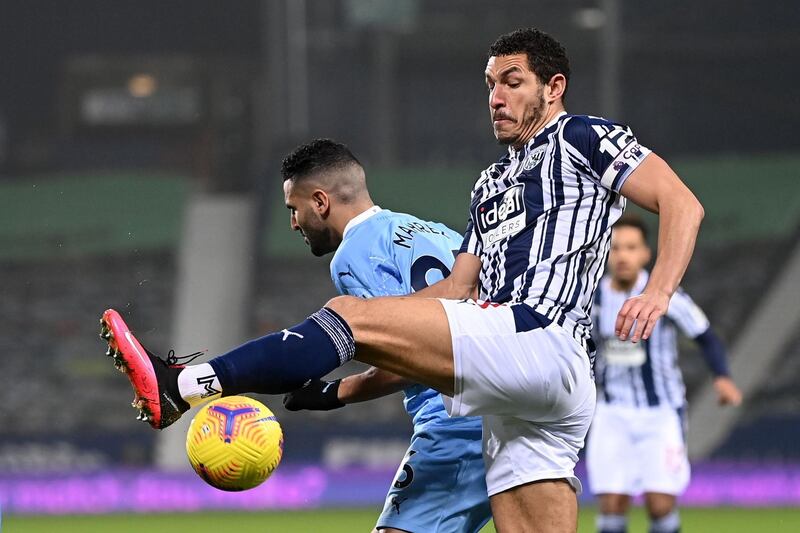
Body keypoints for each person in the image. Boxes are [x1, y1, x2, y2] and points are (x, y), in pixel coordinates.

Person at [103, 28, 705, 532]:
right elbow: (451, 295)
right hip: (520, 391)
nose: (495, 97)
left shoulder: (582, 138)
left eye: (512, 82)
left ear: (555, 88)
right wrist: (357, 367)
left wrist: (658, 292)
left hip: (544, 339)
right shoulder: (490, 184)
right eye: (490, 84)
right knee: (364, 322)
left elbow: (682, 203)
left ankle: (183, 385)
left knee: (350, 311)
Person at [279, 138, 492, 532]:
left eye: (295, 209)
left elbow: (414, 355)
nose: (293, 223)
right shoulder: (437, 232)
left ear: (320, 202)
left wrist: (331, 394)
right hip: (504, 407)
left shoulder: (353, 255)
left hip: (454, 423)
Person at [586, 214, 742, 533]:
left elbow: (706, 336)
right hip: (611, 412)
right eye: (615, 248)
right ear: (605, 252)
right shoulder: (592, 297)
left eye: (630, 248)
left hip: (660, 413)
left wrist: (722, 377)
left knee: (659, 503)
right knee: (612, 503)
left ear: (645, 253)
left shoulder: (663, 295)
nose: (622, 256)